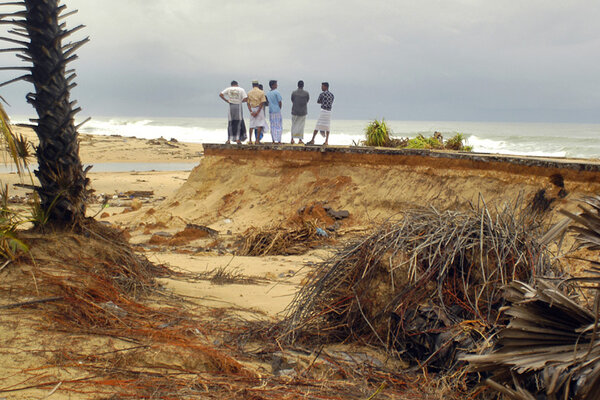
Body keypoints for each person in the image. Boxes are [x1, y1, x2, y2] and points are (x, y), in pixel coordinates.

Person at [290, 80, 309, 144]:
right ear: (303, 85)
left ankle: (292, 139)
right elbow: (307, 100)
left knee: (294, 125)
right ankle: (300, 140)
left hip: (295, 110)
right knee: (301, 126)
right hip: (303, 111)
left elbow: (292, 100)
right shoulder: (306, 93)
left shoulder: (294, 93)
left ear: (297, 85)